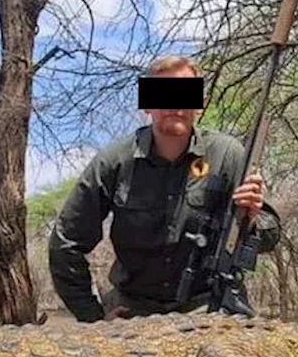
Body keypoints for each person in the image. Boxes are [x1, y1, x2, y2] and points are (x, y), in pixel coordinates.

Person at [48, 55, 282, 322]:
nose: (175, 104)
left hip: (210, 307)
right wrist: (94, 318)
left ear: (200, 105)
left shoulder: (228, 155)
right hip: (131, 313)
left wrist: (251, 219)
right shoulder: (113, 161)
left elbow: (270, 234)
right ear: (147, 103)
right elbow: (65, 244)